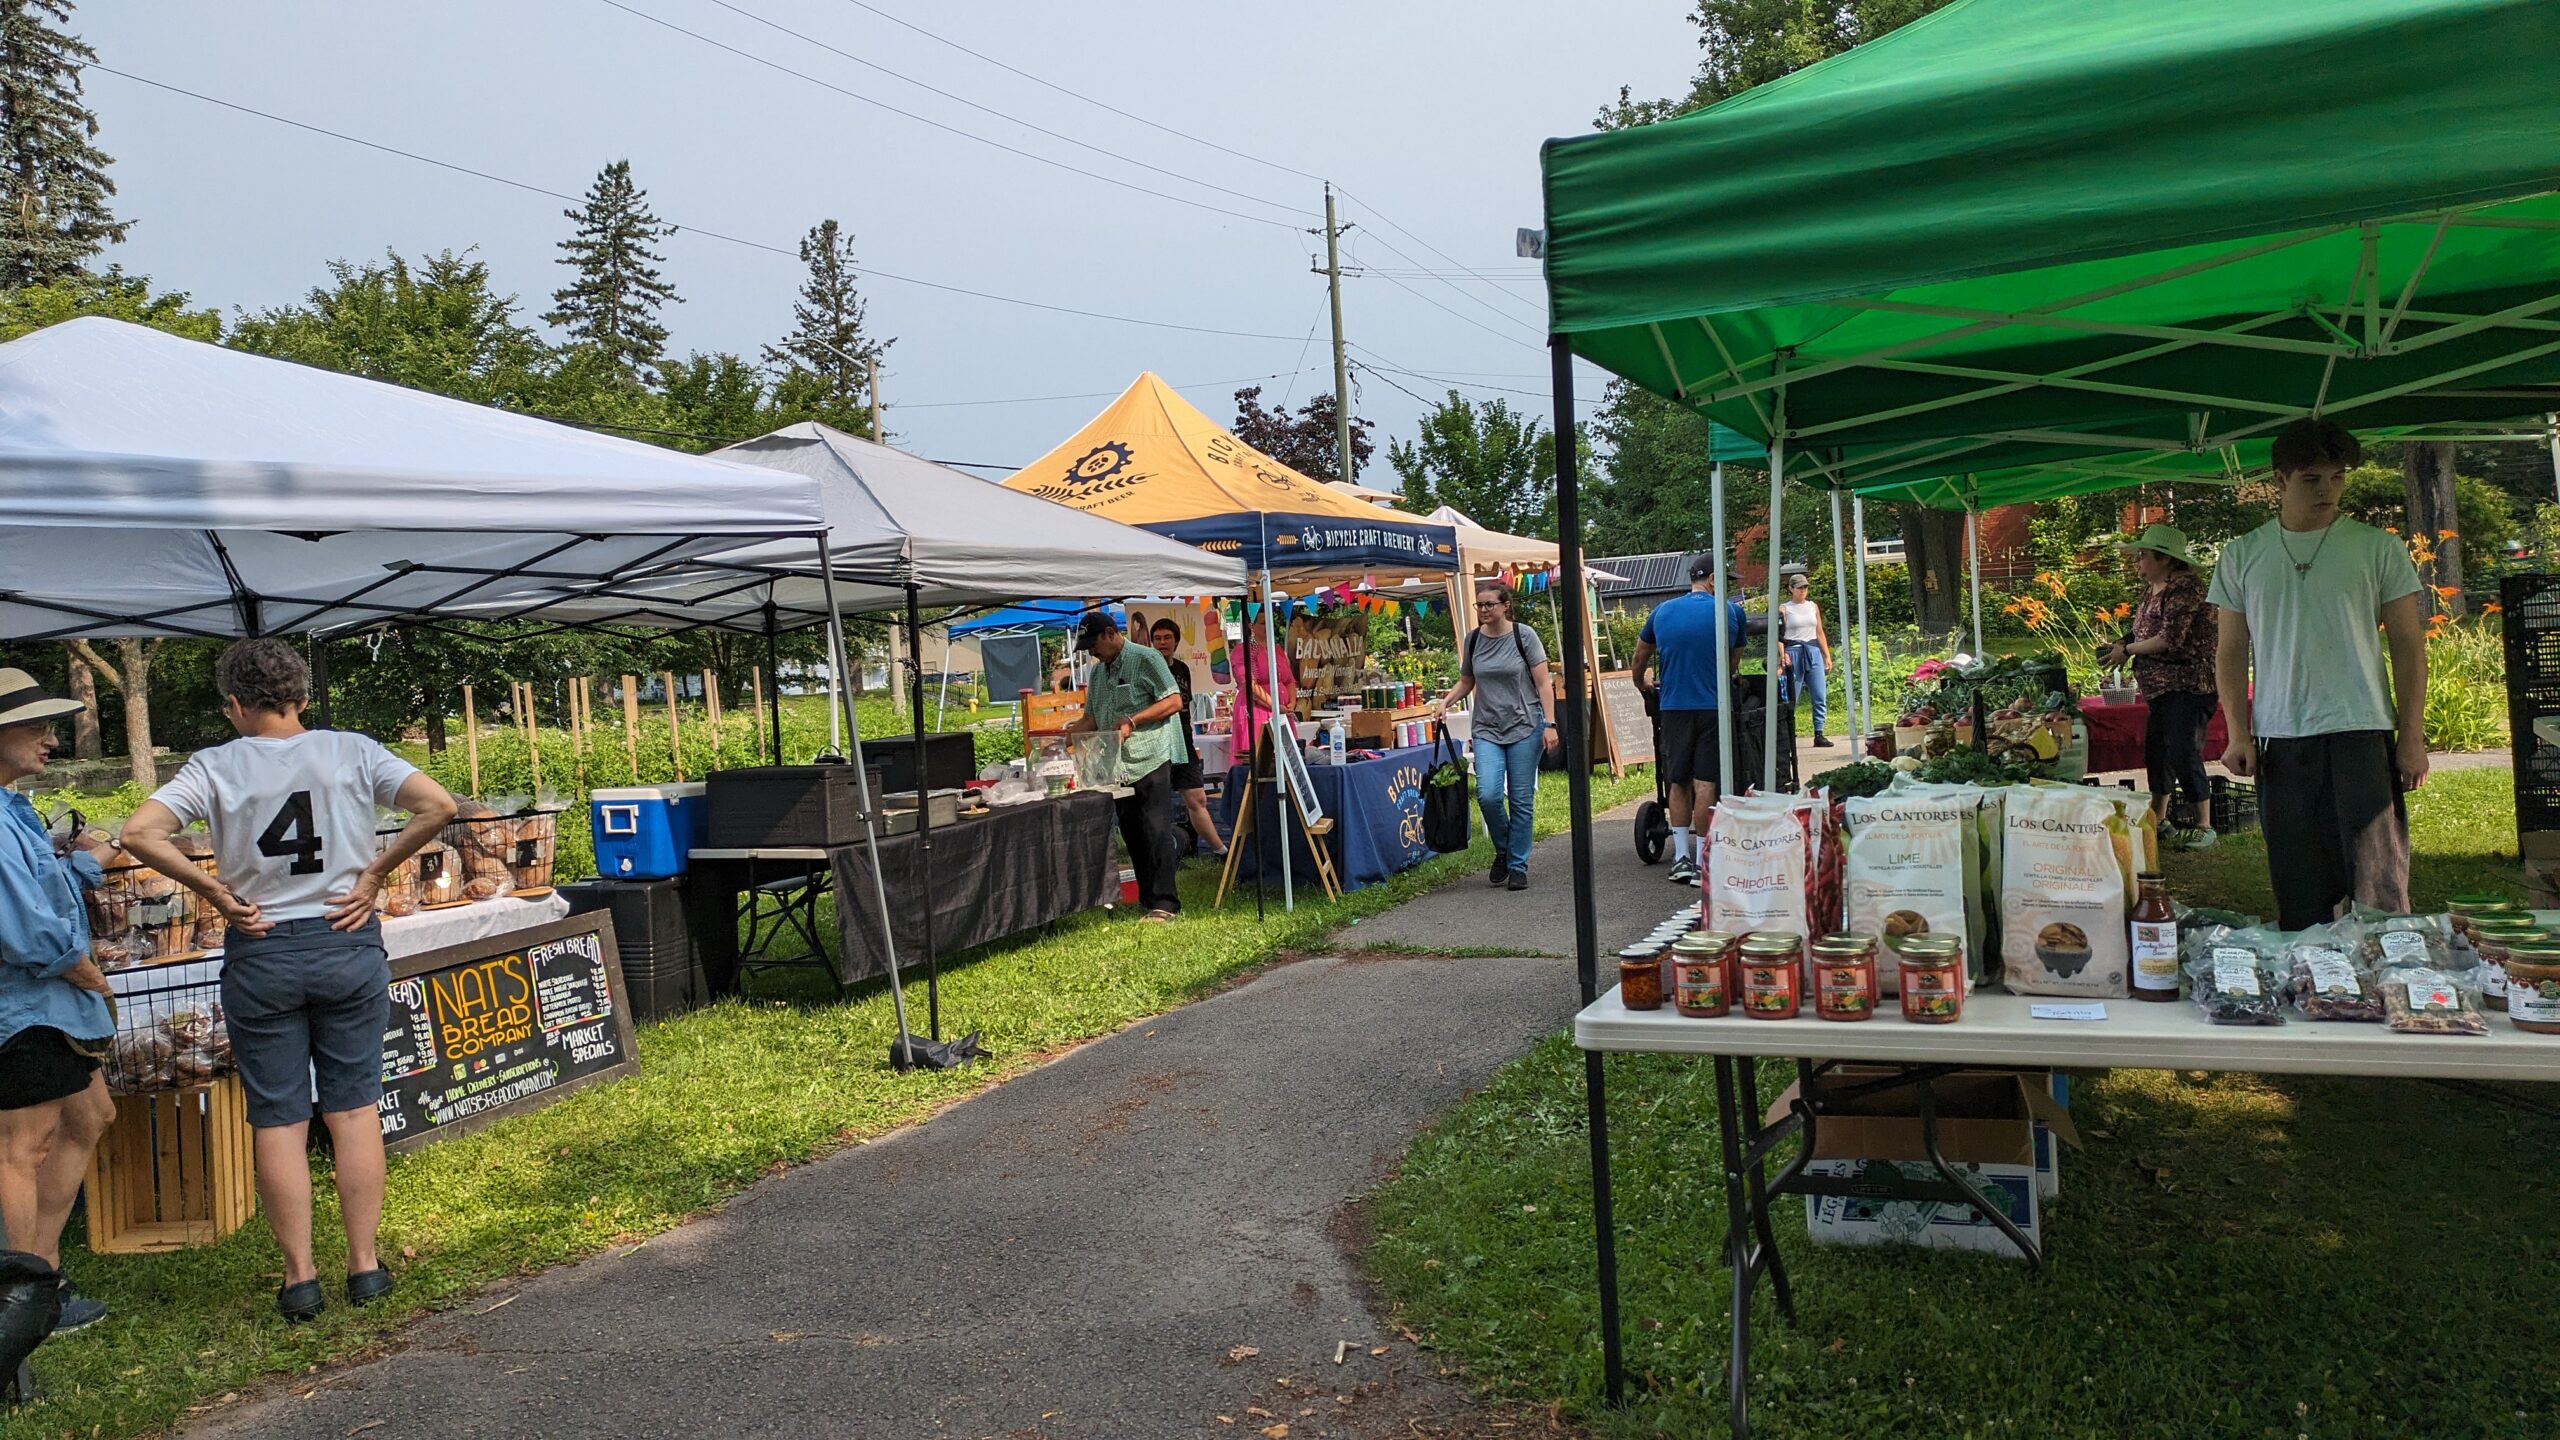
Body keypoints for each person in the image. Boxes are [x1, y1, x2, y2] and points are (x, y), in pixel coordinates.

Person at [120, 640, 456, 1323]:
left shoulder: (215, 764)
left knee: (278, 1116)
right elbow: (438, 805)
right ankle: (364, 1266)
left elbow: (140, 833)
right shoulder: (352, 750)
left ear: (236, 705)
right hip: (345, 937)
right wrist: (374, 873)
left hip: (262, 945)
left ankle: (300, 1277)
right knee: (354, 1107)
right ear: (301, 698)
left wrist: (213, 891)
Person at [2209, 418, 2428, 931]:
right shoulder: (2243, 554)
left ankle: (2390, 985)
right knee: (2299, 885)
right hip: (2281, 737)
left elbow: (2408, 644)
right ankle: (2316, 986)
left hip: (2361, 729)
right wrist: (2238, 732)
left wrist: (2412, 736)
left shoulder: (2378, 548)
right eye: (2312, 478)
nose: (2328, 489)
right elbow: (2230, 650)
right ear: (2281, 479)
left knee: (2380, 888)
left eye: (2337, 477)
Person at [0, 670, 119, 1339]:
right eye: (36, 726)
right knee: (22, 1147)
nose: (52, 739)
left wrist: (88, 862)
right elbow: (21, 923)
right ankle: (20, 1307)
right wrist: (82, 970)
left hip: (49, 1004)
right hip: (24, 1008)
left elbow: (40, 884)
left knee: (89, 1117)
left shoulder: (12, 805)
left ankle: (42, 1278)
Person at [1628, 555, 1762, 887]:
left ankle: (1680, 859)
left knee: (1678, 782)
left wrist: (1641, 683)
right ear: (1713, 579)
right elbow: (1732, 664)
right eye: (1726, 580)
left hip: (1673, 707)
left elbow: (1640, 657)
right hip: (1711, 707)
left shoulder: (1661, 612)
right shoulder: (1731, 612)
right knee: (1706, 783)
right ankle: (1704, 860)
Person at [2099, 523, 2220, 849]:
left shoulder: (2186, 590)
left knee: (2183, 751)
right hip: (2158, 689)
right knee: (2158, 752)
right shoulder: (2153, 588)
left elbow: (2169, 639)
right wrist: (2121, 643)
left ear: (2165, 559)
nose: (2138, 561)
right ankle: (2159, 818)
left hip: (2189, 686)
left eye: (2143, 555)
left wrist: (2128, 650)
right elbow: (2142, 630)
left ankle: (2204, 826)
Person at [1067, 613, 1186, 921]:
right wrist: (1065, 736)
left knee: (1155, 829)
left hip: (1150, 756)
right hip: (1117, 765)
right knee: (1132, 831)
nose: (1092, 652)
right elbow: (1092, 719)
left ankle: (1166, 903)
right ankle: (1148, 899)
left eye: (1094, 645)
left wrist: (1134, 720)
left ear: (1110, 633)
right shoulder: (1097, 673)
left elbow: (1174, 701)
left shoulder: (1146, 658)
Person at [1439, 581, 1556, 891]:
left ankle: (1517, 865)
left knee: (1520, 799)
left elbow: (1544, 684)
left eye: (1489, 604)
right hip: (1487, 727)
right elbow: (1467, 681)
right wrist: (1446, 702)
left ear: (1506, 605)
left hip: (1524, 724)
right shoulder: (1473, 640)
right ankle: (1503, 849)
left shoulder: (1524, 636)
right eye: (1480, 605)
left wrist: (1550, 724)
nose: (1483, 610)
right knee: (1489, 795)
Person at [1148, 617, 1227, 858]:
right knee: (1155, 803)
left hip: (1183, 740)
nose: (1163, 643)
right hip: (1156, 742)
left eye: (1167, 638)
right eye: (1158, 638)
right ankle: (1161, 853)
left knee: (1197, 797)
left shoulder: (1182, 669)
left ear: (1176, 641)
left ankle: (1221, 851)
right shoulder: (1147, 669)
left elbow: (1186, 706)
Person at [1776, 572, 1835, 748]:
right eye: (1799, 587)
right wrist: (1782, 654)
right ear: (1791, 589)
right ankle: (1788, 732)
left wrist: (1826, 655)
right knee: (1792, 695)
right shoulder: (1784, 609)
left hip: (1812, 650)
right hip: (1793, 651)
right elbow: (1778, 635)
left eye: (1805, 587)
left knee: (1819, 694)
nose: (1803, 591)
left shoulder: (1812, 606)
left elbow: (1819, 631)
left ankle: (1819, 733)